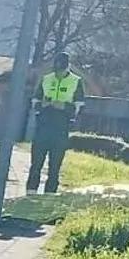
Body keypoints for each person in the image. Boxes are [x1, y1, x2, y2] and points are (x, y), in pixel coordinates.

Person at [26, 51, 85, 195]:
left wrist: (64, 107)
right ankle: (30, 195)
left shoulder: (76, 81)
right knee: (35, 165)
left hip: (61, 129)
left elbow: (81, 107)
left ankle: (48, 198)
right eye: (57, 70)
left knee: (54, 168)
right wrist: (43, 105)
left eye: (62, 70)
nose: (58, 73)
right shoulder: (46, 79)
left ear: (67, 67)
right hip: (43, 128)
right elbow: (34, 102)